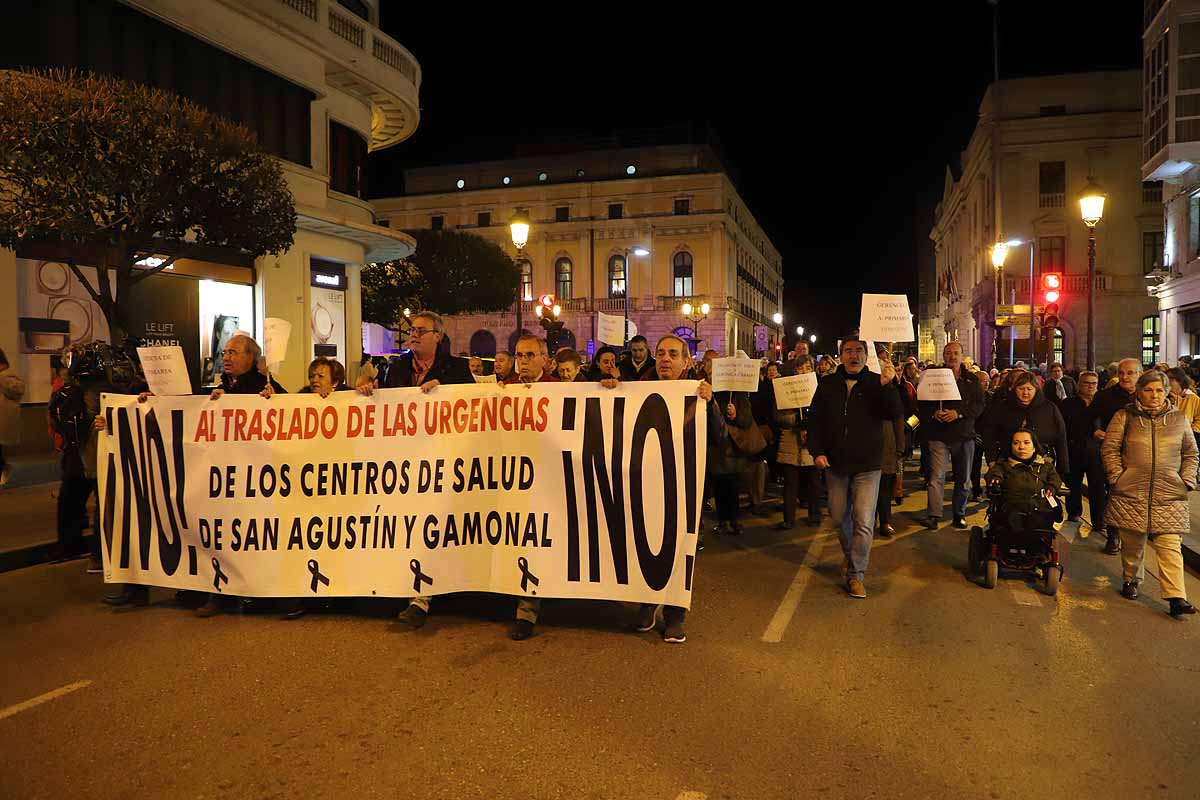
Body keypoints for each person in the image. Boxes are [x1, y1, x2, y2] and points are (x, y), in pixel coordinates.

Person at [357, 312, 475, 628]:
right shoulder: (395, 368)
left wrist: (446, 390)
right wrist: (366, 388)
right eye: (412, 329)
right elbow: (378, 399)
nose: (414, 334)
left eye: (422, 330)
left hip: (443, 465)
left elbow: (476, 409)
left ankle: (420, 598)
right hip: (402, 465)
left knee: (430, 530)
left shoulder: (457, 369)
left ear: (438, 336)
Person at [635, 334, 722, 643]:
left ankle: (674, 615)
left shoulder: (698, 393)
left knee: (678, 548)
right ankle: (646, 604)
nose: (665, 359)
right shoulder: (638, 388)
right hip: (645, 483)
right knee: (641, 542)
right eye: (660, 353)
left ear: (687, 361)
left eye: (673, 353)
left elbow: (719, 437)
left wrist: (710, 405)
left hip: (683, 485)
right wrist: (609, 391)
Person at [807, 337, 903, 599]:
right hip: (836, 464)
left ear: (865, 355)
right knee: (839, 517)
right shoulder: (827, 384)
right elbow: (815, 420)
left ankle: (856, 574)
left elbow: (894, 413)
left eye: (859, 351)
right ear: (840, 355)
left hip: (868, 465)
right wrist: (817, 451)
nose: (854, 355)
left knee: (863, 520)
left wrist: (889, 386)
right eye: (848, 351)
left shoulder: (876, 382)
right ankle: (851, 556)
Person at [1101, 370, 1198, 618]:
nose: (1154, 395)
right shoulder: (1125, 416)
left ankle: (1176, 597)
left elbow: (1190, 453)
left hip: (1169, 493)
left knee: (1170, 546)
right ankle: (1131, 579)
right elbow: (1110, 448)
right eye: (1148, 390)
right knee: (1133, 544)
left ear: (1166, 391)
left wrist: (1185, 480)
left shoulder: (1178, 419)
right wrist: (1117, 477)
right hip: (1132, 492)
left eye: (1159, 390)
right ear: (1139, 392)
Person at [919, 342, 986, 530]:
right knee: (936, 477)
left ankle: (959, 514)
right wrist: (934, 413)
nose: (952, 356)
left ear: (962, 355)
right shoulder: (934, 377)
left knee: (963, 478)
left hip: (964, 435)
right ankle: (933, 515)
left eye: (956, 353)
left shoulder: (972, 380)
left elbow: (979, 405)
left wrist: (959, 413)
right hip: (938, 435)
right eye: (948, 353)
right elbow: (922, 402)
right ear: (943, 355)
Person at [1091, 358, 1140, 554]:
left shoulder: (1145, 396)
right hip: (1114, 454)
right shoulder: (1106, 397)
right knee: (1114, 494)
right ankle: (1113, 536)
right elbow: (1090, 418)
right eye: (1121, 373)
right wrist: (1096, 431)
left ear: (1139, 375)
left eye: (1130, 373)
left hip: (1140, 456)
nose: (1125, 377)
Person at [982, 371, 1070, 478]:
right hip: (1008, 462)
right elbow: (989, 434)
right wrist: (991, 459)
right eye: (1021, 388)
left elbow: (1061, 436)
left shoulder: (1049, 408)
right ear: (1015, 389)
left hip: (1042, 463)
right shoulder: (1003, 408)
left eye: (1029, 389)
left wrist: (1063, 466)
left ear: (1036, 390)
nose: (1025, 393)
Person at [774, 356, 822, 529]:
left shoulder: (819, 388)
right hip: (790, 441)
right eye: (800, 368)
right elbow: (778, 415)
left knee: (814, 481)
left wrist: (808, 425)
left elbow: (823, 414)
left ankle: (815, 515)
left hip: (812, 440)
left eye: (807, 368)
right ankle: (788, 518)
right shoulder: (785, 388)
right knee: (790, 482)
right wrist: (795, 419)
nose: (803, 371)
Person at [984, 429, 1064, 533]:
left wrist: (1052, 487)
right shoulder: (1004, 465)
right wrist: (996, 479)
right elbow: (995, 473)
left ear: (1034, 447)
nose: (1021, 447)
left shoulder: (1046, 466)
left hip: (1039, 512)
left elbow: (1055, 478)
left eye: (1026, 443)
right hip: (1010, 512)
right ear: (1011, 446)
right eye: (1016, 443)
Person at [1059, 371, 1107, 531]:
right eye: (1087, 383)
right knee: (1073, 484)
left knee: (1098, 488)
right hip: (1075, 450)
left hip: (1098, 453)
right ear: (1079, 385)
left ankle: (1099, 520)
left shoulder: (1101, 403)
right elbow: (1068, 426)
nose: (1091, 386)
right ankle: (1074, 512)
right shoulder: (1069, 404)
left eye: (1094, 383)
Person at [0, 348, 25, 488]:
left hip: (3, 421)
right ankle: (4, 468)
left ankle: (4, 469)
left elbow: (19, 389)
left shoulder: (7, 375)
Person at [1165, 367, 1200, 453]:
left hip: (1187, 438)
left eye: (1171, 379)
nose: (1167, 382)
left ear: (1179, 380)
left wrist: (1192, 430)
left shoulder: (1192, 397)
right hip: (1168, 438)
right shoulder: (1164, 397)